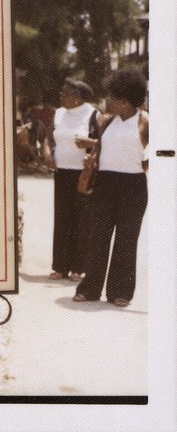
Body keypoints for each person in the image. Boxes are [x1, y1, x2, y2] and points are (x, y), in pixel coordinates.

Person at [73, 69, 149, 307]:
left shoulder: (146, 122)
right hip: (105, 184)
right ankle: (90, 288)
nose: (108, 101)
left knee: (126, 240)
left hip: (133, 186)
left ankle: (121, 291)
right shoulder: (105, 121)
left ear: (125, 101)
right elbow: (103, 147)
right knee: (98, 237)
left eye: (113, 97)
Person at [42, 78, 99, 281]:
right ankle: (60, 266)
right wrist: (48, 155)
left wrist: (90, 147)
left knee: (82, 220)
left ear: (78, 97)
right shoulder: (58, 113)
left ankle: (79, 268)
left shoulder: (93, 114)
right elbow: (48, 138)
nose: (61, 96)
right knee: (62, 218)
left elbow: (102, 143)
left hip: (84, 174)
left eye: (65, 93)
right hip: (62, 172)